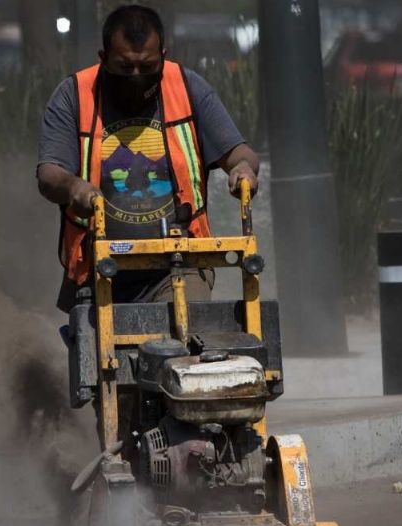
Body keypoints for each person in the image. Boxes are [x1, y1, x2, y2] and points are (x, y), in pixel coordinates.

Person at [36, 4, 260, 312]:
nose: (137, 76)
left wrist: (243, 168)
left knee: (181, 334)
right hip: (98, 263)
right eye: (125, 67)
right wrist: (76, 188)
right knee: (97, 352)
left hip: (179, 262)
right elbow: (49, 173)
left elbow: (238, 152)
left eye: (147, 66)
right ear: (104, 59)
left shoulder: (187, 86)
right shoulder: (74, 95)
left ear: (163, 56)